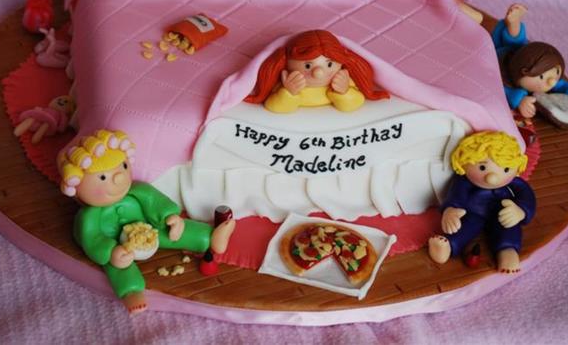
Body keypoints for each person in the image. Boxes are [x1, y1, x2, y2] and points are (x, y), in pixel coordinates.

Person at [61, 129, 236, 315]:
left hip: (148, 230)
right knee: (118, 265)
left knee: (174, 231)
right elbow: (92, 238)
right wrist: (110, 251)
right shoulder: (89, 216)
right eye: (103, 177)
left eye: (123, 167)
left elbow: (155, 202)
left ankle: (210, 237)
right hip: (116, 244)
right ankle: (131, 291)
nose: (119, 178)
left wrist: (169, 216)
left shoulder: (138, 190)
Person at [427, 131, 536, 273]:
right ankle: (447, 247)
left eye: (505, 169)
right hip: (473, 213)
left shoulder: (515, 182)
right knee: (462, 227)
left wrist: (521, 211)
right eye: (482, 167)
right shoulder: (463, 182)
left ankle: (507, 250)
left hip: (502, 212)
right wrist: (450, 210)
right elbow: (456, 195)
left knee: (509, 225)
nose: (492, 178)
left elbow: (527, 197)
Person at [245, 30, 388, 113]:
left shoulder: (344, 81)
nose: (318, 73)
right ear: (288, 65)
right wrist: (289, 93)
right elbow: (275, 107)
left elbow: (353, 105)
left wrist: (344, 92)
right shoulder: (287, 83)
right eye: (308, 65)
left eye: (329, 64)